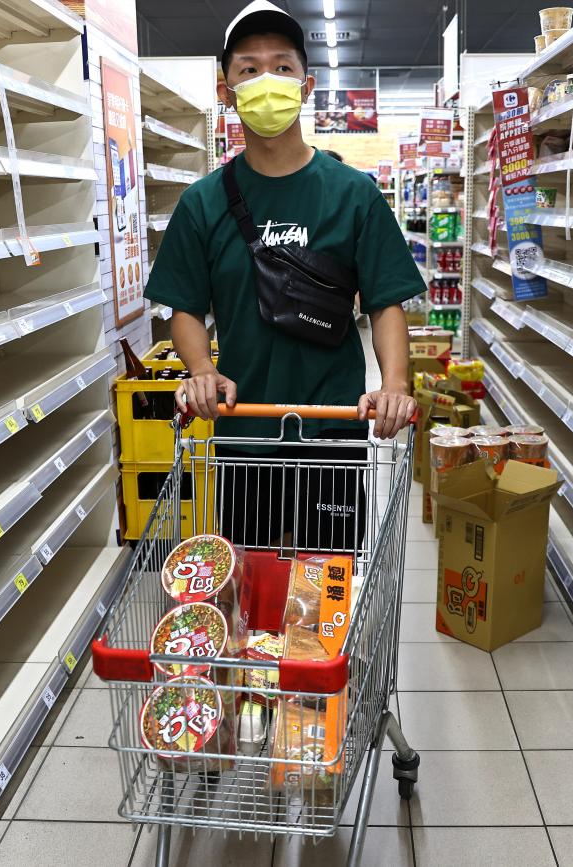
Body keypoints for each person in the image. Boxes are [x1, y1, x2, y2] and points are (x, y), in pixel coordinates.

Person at [144, 0, 424, 549]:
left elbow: (386, 300)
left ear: (306, 83)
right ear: (226, 91)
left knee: (326, 590)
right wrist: (200, 368)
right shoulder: (201, 204)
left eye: (282, 66)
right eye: (248, 69)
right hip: (245, 430)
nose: (265, 80)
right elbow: (184, 307)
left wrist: (394, 386)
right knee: (255, 592)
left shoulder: (353, 194)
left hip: (333, 431)